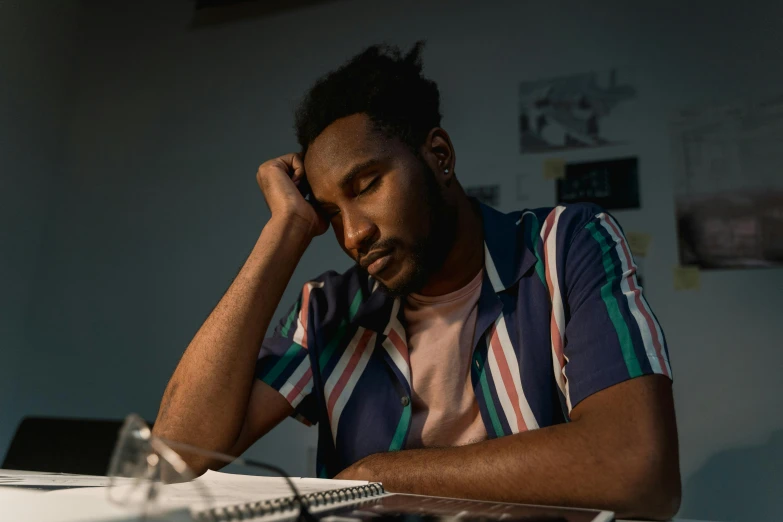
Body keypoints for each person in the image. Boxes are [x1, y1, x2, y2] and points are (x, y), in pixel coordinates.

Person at [153, 42, 681, 520]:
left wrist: (380, 476)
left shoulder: (563, 246)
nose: (354, 235)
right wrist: (285, 230)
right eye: (331, 214)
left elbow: (638, 466)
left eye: (367, 186)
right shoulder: (329, 311)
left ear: (440, 157)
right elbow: (174, 457)